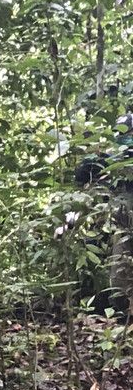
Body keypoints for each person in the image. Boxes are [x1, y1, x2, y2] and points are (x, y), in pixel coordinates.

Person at [75, 111, 133, 310]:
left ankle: (119, 307)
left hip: (118, 218)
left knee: (119, 262)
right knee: (118, 263)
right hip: (117, 218)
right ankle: (120, 307)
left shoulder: (112, 155)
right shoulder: (109, 157)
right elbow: (82, 175)